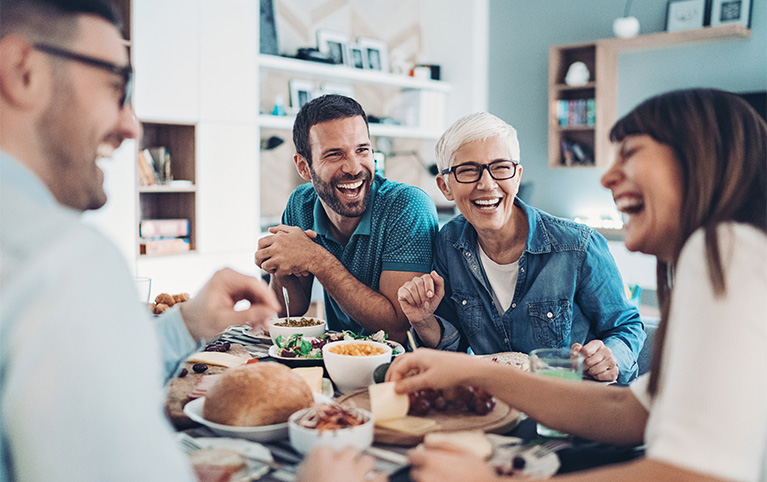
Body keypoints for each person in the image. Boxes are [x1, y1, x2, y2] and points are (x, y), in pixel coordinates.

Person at [380, 88, 766, 482]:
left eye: (629, 153)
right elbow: (628, 413)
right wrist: (471, 371)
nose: (607, 176)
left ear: (696, 160)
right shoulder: (724, 256)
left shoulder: (728, 253)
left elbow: (699, 475)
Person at [0, 1, 280, 480]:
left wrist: (187, 323)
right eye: (117, 86)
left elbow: (81, 392)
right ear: (23, 72)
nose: (132, 125)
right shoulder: (64, 261)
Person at [397, 112, 645, 384]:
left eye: (501, 167)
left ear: (517, 176)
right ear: (445, 186)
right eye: (468, 170)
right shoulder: (448, 244)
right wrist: (423, 320)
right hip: (495, 406)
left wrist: (611, 358)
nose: (487, 184)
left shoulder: (578, 246)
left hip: (568, 407)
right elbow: (454, 348)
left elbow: (627, 327)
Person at [255, 94, 438, 344]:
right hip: (338, 356)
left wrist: (315, 258)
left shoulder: (407, 206)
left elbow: (397, 329)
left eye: (362, 150)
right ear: (303, 167)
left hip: (405, 367)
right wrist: (280, 259)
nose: (353, 167)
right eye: (334, 155)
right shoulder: (301, 204)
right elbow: (287, 312)